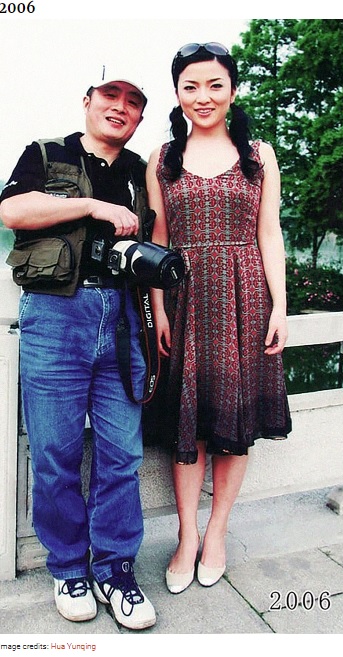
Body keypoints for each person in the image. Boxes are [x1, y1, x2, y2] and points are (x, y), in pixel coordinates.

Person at [0, 67, 156, 630]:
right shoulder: (45, 153)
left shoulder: (142, 172)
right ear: (88, 101)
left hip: (123, 321)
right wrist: (93, 208)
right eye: (110, 95)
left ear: (140, 117)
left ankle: (115, 568)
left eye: (133, 102)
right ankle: (69, 567)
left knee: (123, 454)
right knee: (55, 454)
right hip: (56, 318)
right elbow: (12, 212)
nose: (120, 107)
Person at [146, 42, 292, 594]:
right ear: (178, 93)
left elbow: (269, 232)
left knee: (232, 428)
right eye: (190, 86)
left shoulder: (259, 153)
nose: (202, 97)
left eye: (214, 85)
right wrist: (158, 306)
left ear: (232, 90)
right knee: (189, 424)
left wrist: (280, 305)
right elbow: (158, 238)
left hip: (246, 297)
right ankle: (186, 538)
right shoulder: (163, 157)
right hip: (183, 301)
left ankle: (218, 533)